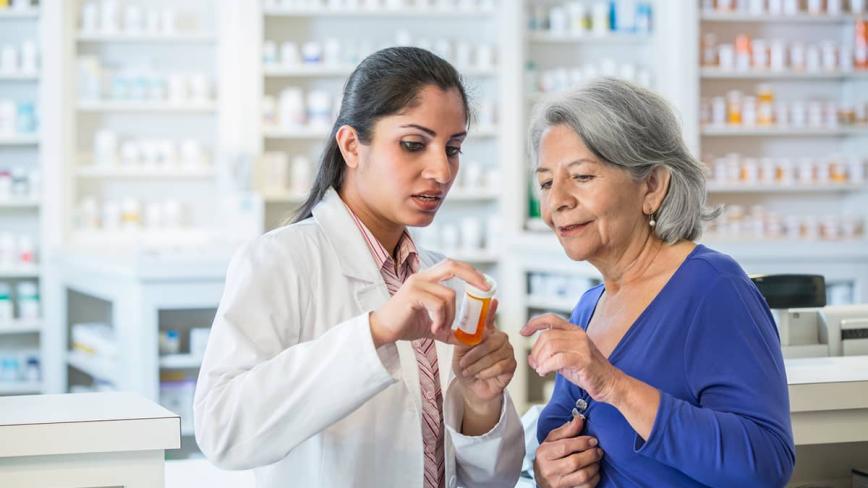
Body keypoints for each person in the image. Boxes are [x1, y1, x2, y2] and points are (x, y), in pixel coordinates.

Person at [194, 47, 524, 487]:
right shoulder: (279, 261)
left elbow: (490, 480)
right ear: (351, 145)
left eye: (454, 148)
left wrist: (482, 406)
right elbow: (223, 431)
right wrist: (375, 332)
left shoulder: (441, 283)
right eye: (413, 144)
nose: (442, 171)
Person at [521, 78, 795, 488]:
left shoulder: (714, 289)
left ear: (651, 185)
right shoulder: (588, 307)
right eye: (546, 183)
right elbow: (563, 446)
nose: (557, 200)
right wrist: (550, 470)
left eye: (581, 176)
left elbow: (764, 464)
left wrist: (613, 384)